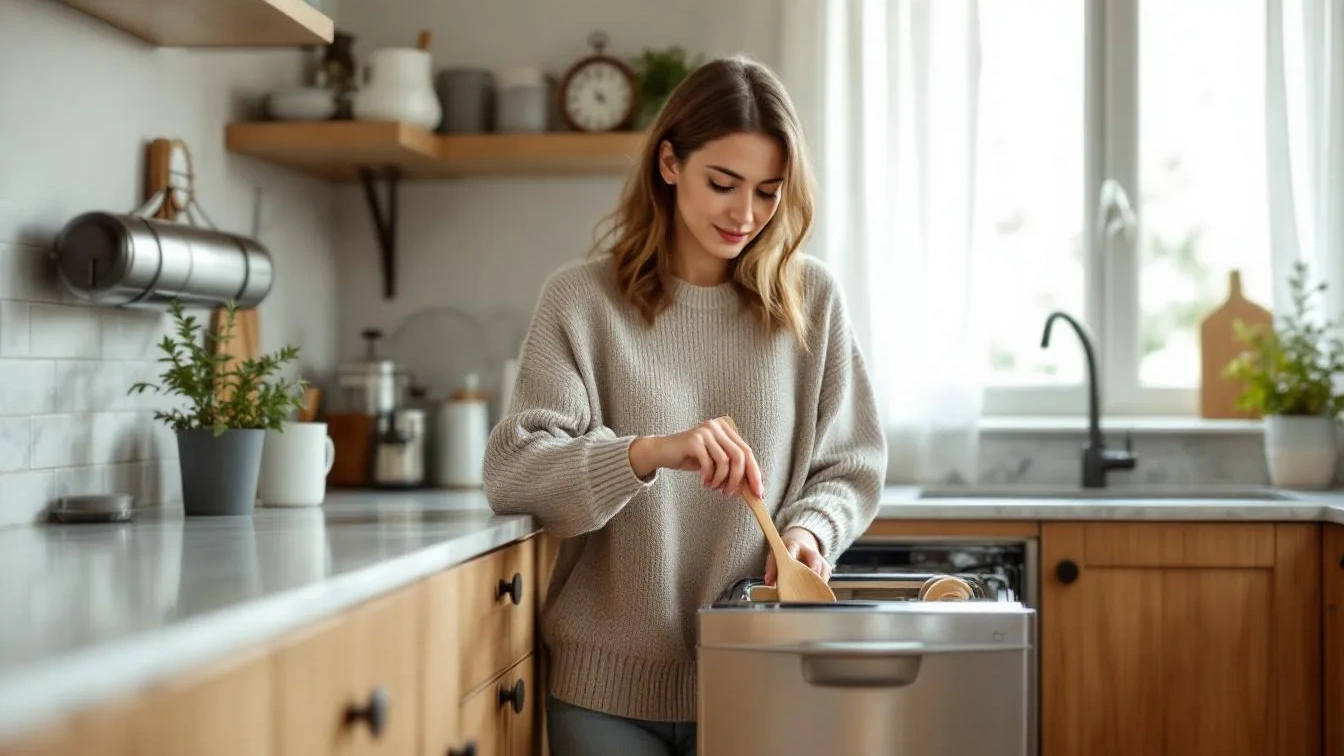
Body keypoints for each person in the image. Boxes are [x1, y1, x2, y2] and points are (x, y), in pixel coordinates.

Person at [482, 55, 887, 756]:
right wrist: (647, 453)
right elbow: (515, 471)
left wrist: (810, 533)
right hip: (604, 693)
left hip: (762, 676)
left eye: (769, 192)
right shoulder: (581, 301)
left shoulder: (810, 301)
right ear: (669, 164)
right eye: (723, 184)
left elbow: (850, 463)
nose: (747, 214)